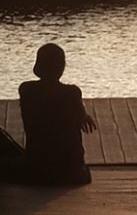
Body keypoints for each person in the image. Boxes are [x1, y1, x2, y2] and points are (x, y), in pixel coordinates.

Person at [6, 42, 97, 185]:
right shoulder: (73, 93)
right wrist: (82, 114)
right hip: (72, 172)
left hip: (37, 170)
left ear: (38, 65)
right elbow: (78, 111)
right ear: (62, 67)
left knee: (4, 154)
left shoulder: (26, 90)